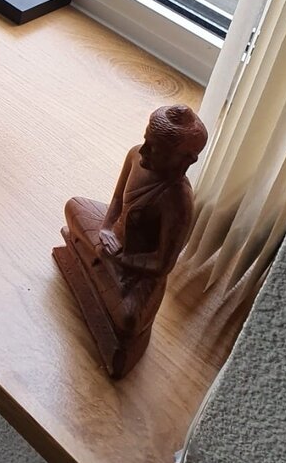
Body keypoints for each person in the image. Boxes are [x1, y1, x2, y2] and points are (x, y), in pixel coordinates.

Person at [58, 105, 208, 376]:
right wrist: (105, 230)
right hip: (111, 239)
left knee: (128, 319)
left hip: (138, 267)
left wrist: (121, 259)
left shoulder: (178, 201)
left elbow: (162, 264)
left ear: (185, 161)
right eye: (146, 140)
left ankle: (95, 262)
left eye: (156, 150)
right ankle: (98, 261)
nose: (144, 152)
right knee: (73, 206)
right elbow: (116, 201)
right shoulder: (135, 155)